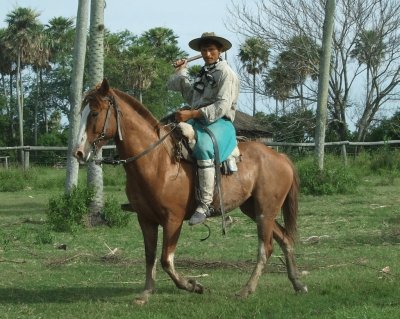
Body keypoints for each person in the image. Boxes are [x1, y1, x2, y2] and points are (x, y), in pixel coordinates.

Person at [167, 32, 240, 226]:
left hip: (220, 122)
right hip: (198, 119)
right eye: (204, 50)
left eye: (211, 50)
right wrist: (181, 71)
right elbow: (191, 97)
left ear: (220, 51)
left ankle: (205, 204)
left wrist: (191, 115)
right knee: (166, 134)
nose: (207, 54)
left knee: (203, 147)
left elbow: (221, 106)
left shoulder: (226, 73)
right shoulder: (203, 72)